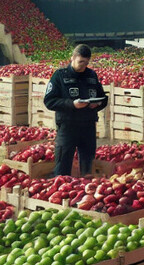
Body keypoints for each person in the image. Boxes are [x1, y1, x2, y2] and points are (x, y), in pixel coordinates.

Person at [44, 44, 108, 177]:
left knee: (88, 166)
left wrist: (97, 104)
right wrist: (72, 104)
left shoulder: (91, 75)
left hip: (88, 126)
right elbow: (49, 101)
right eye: (80, 62)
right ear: (72, 58)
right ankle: (61, 190)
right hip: (68, 126)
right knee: (62, 166)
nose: (83, 66)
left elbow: (103, 97)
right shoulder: (59, 76)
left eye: (86, 62)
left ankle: (87, 193)